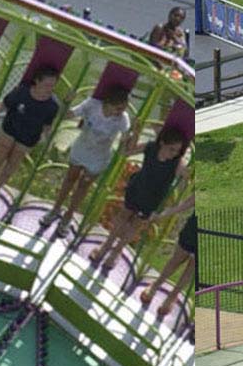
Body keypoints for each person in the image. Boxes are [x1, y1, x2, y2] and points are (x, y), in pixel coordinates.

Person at [88, 126, 189, 273]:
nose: (174, 154)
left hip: (152, 198)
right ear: (162, 143)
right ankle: (105, 246)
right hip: (137, 188)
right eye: (171, 149)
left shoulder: (176, 162)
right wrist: (135, 133)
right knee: (123, 216)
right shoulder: (151, 148)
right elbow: (128, 151)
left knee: (135, 225)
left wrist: (185, 172)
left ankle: (116, 252)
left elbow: (184, 177)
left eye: (177, 151)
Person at [39, 86, 133, 238]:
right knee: (69, 179)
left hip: (98, 158)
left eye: (123, 109)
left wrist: (128, 137)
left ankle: (68, 218)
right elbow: (67, 115)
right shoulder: (92, 105)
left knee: (83, 186)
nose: (120, 112)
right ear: (108, 103)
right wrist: (67, 102)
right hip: (81, 150)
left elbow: (126, 140)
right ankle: (55, 210)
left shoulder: (123, 119)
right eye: (118, 108)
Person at [0, 67, 61, 213]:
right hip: (11, 127)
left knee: (13, 163)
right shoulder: (22, 91)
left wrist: (49, 142)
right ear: (37, 81)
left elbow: (47, 126)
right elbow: (4, 105)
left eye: (52, 86)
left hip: (29, 136)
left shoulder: (53, 105)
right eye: (46, 85)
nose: (49, 89)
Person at [138, 194, 195, 317]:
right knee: (176, 259)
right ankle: (155, 285)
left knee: (192, 269)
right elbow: (192, 200)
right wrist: (168, 213)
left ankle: (172, 296)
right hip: (195, 226)